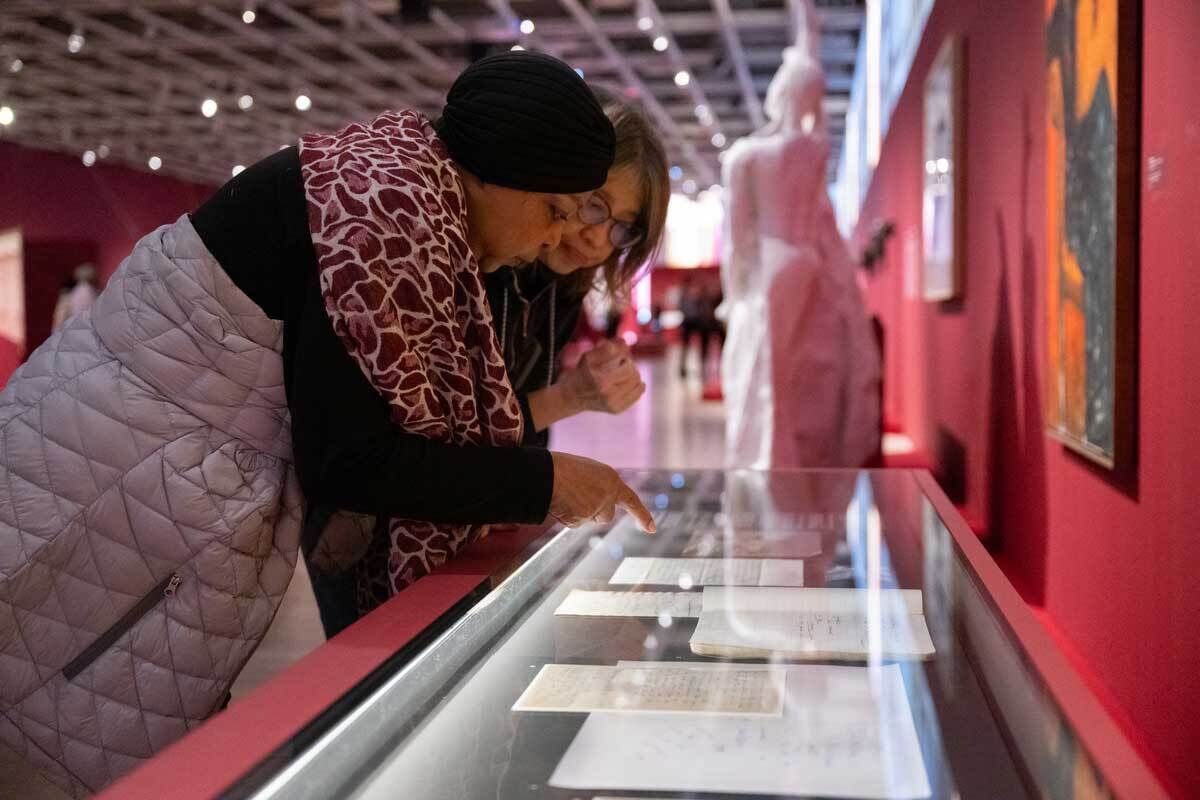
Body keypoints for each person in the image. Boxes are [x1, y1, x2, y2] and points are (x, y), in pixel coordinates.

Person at [0, 51, 651, 797]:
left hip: (122, 492)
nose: (555, 238)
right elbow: (351, 459)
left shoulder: (389, 185)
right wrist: (545, 481)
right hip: (104, 511)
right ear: (496, 172)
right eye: (556, 209)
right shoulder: (385, 216)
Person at [720, 4, 880, 469]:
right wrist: (806, 24)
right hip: (807, 261)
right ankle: (796, 466)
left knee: (766, 373)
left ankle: (769, 466)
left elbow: (737, 241)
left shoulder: (747, 156)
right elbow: (809, 66)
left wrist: (733, 294)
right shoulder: (812, 149)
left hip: (772, 264)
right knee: (802, 373)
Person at [483, 90, 669, 447]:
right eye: (594, 204)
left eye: (624, 228)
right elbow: (448, 436)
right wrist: (568, 396)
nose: (598, 239)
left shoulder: (565, 285)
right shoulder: (483, 260)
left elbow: (521, 439)